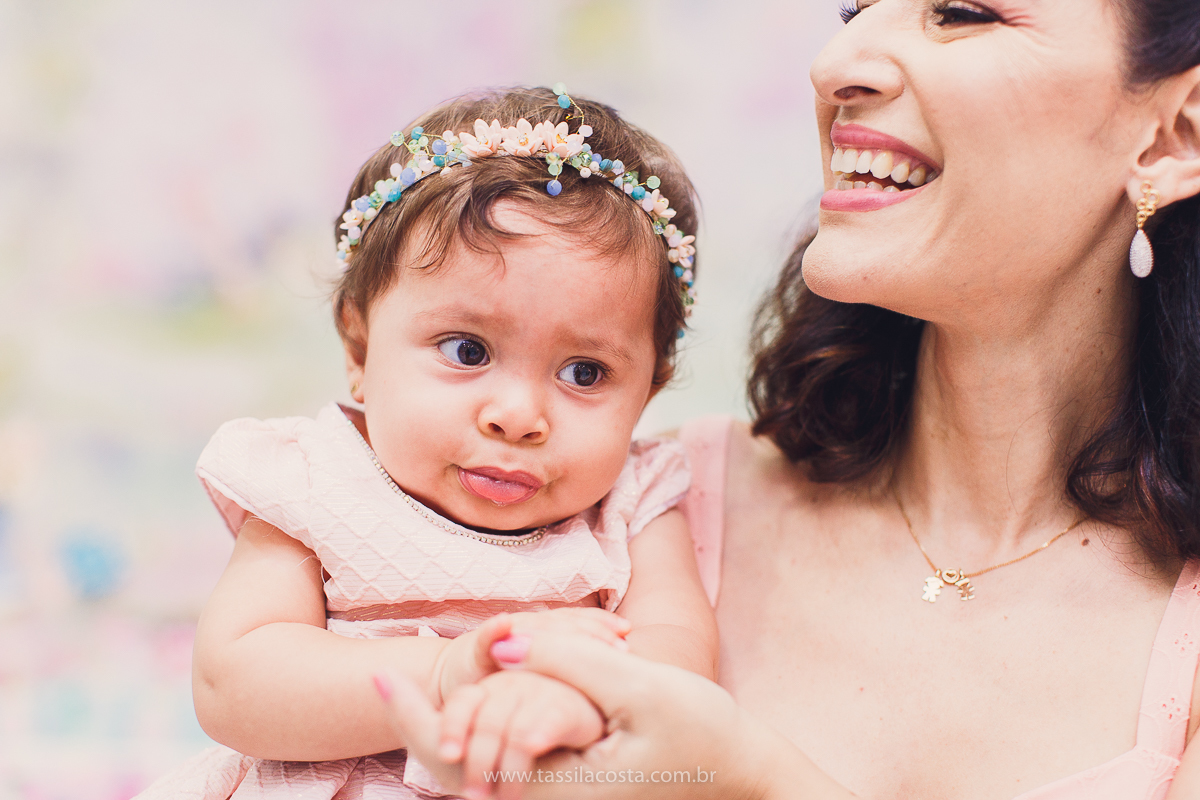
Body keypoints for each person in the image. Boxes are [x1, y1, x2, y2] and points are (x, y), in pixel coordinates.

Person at [377, 1, 1200, 798]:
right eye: (855, 9)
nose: (834, 65)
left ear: (1173, 136)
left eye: (960, 11)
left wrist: (745, 779)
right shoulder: (620, 511)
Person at [133, 86, 717, 800]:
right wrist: (444, 676)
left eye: (584, 373)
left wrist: (580, 700)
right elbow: (235, 683)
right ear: (359, 348)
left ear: (648, 392)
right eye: (468, 351)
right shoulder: (314, 480)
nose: (517, 416)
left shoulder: (633, 505)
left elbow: (679, 664)